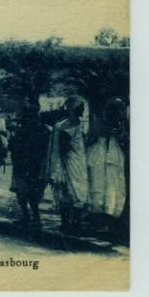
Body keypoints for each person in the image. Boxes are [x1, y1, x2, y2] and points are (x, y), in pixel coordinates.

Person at [46, 95, 90, 232]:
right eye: (80, 108)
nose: (83, 110)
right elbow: (63, 148)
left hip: (79, 161)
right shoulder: (65, 126)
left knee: (79, 192)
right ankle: (66, 223)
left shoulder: (80, 124)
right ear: (74, 109)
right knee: (70, 193)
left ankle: (75, 223)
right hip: (70, 163)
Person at [86, 98, 128, 230]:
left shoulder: (122, 127)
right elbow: (91, 140)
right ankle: (100, 220)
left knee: (112, 188)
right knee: (100, 187)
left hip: (112, 160)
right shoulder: (100, 125)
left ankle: (108, 220)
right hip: (100, 158)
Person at [10, 100, 50, 225]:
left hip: (27, 165)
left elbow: (17, 147)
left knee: (24, 192)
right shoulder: (43, 129)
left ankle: (31, 217)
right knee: (30, 192)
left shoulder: (26, 130)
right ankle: (31, 217)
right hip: (32, 165)